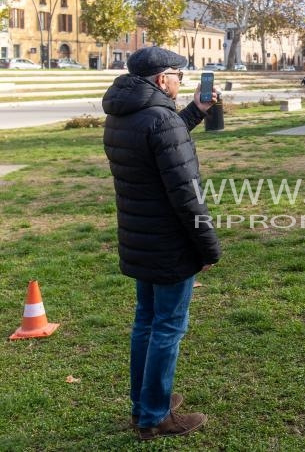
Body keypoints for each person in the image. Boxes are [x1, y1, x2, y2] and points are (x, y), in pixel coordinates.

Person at [102, 46, 222, 441]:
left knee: (147, 323)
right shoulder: (160, 120)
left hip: (140, 238)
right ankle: (155, 415)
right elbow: (187, 195)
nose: (181, 81)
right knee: (168, 327)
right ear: (160, 79)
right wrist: (208, 247)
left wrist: (195, 112)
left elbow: (161, 143)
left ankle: (147, 401)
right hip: (169, 243)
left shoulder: (126, 114)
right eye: (177, 74)